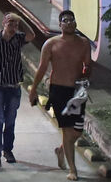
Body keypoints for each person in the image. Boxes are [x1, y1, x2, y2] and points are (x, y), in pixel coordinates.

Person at [29, 10, 92, 181]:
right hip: (58, 91)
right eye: (66, 20)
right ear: (60, 24)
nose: (70, 23)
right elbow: (42, 68)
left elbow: (87, 66)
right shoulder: (51, 44)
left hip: (77, 92)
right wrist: (33, 89)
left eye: (72, 20)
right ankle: (73, 170)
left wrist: (86, 74)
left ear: (76, 23)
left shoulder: (84, 43)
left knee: (77, 132)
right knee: (67, 131)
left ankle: (61, 150)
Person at [0, 13, 35, 168]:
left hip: (13, 86)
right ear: (4, 23)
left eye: (16, 25)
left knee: (10, 121)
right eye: (10, 23)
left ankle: (8, 150)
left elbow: (31, 35)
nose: (13, 27)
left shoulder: (18, 38)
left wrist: (21, 19)